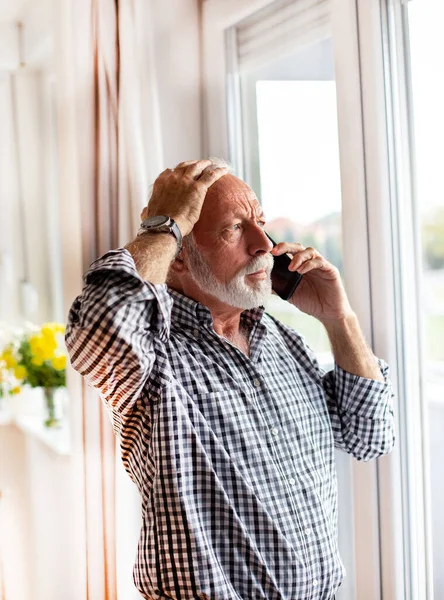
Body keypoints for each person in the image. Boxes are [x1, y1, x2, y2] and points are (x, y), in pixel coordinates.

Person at [66, 158, 395, 600]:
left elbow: (369, 434)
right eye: (234, 229)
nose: (264, 244)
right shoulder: (152, 352)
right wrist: (164, 225)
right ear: (179, 256)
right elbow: (98, 327)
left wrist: (339, 318)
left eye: (260, 223)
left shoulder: (281, 338)